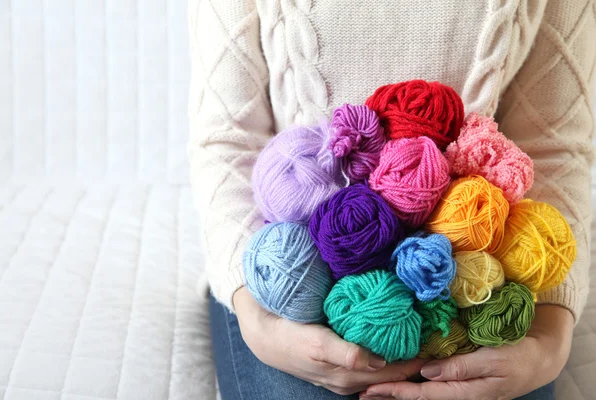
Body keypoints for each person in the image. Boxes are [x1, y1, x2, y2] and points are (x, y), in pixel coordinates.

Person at [188, 1, 595, 399]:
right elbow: (227, 140)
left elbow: (554, 149)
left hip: (476, 287)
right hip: (287, 281)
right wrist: (258, 319)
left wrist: (549, 336)